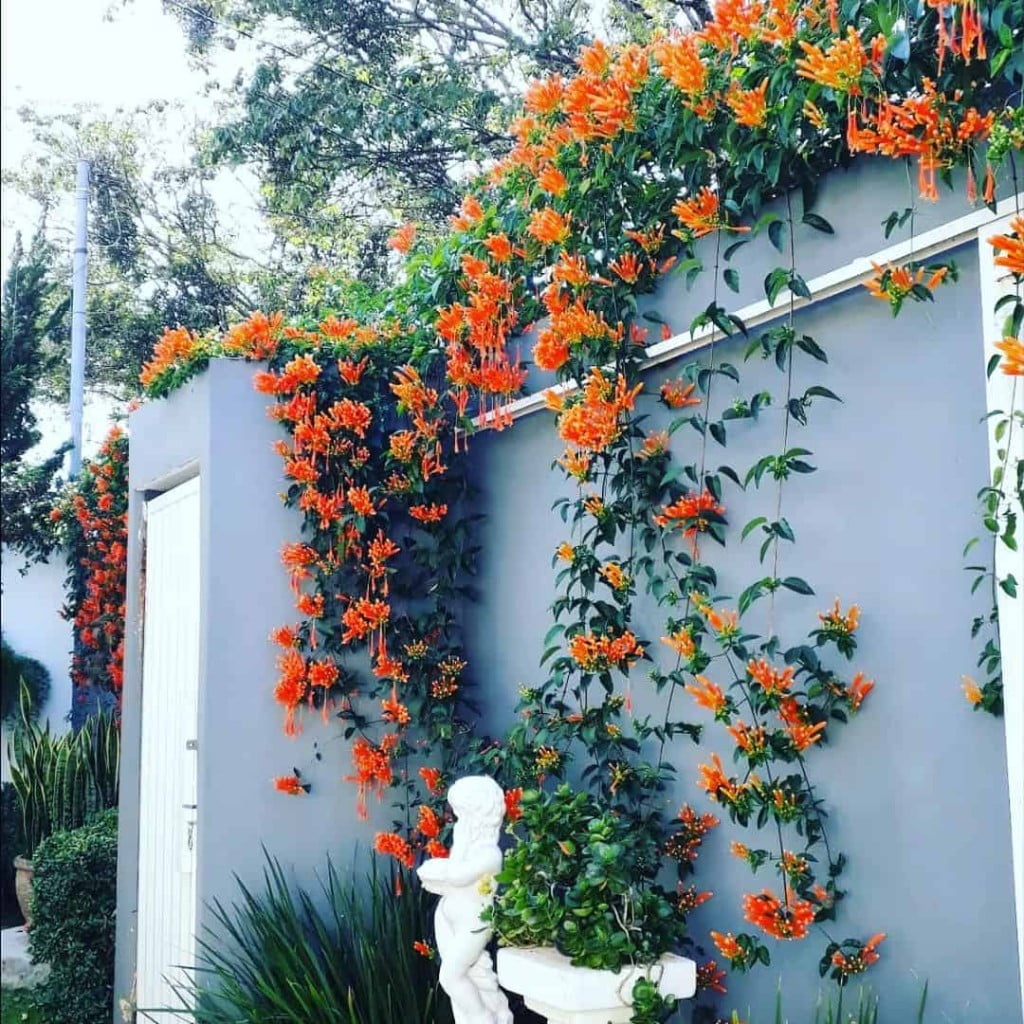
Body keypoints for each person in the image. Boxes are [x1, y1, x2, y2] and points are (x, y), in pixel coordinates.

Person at [417, 775, 512, 1024]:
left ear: (478, 815)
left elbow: (457, 875)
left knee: (451, 977)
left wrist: (443, 863)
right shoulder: (468, 847)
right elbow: (454, 869)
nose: (458, 822)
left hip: (473, 924)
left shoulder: (490, 855)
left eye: (462, 814)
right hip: (449, 917)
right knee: (466, 981)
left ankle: (482, 1017)